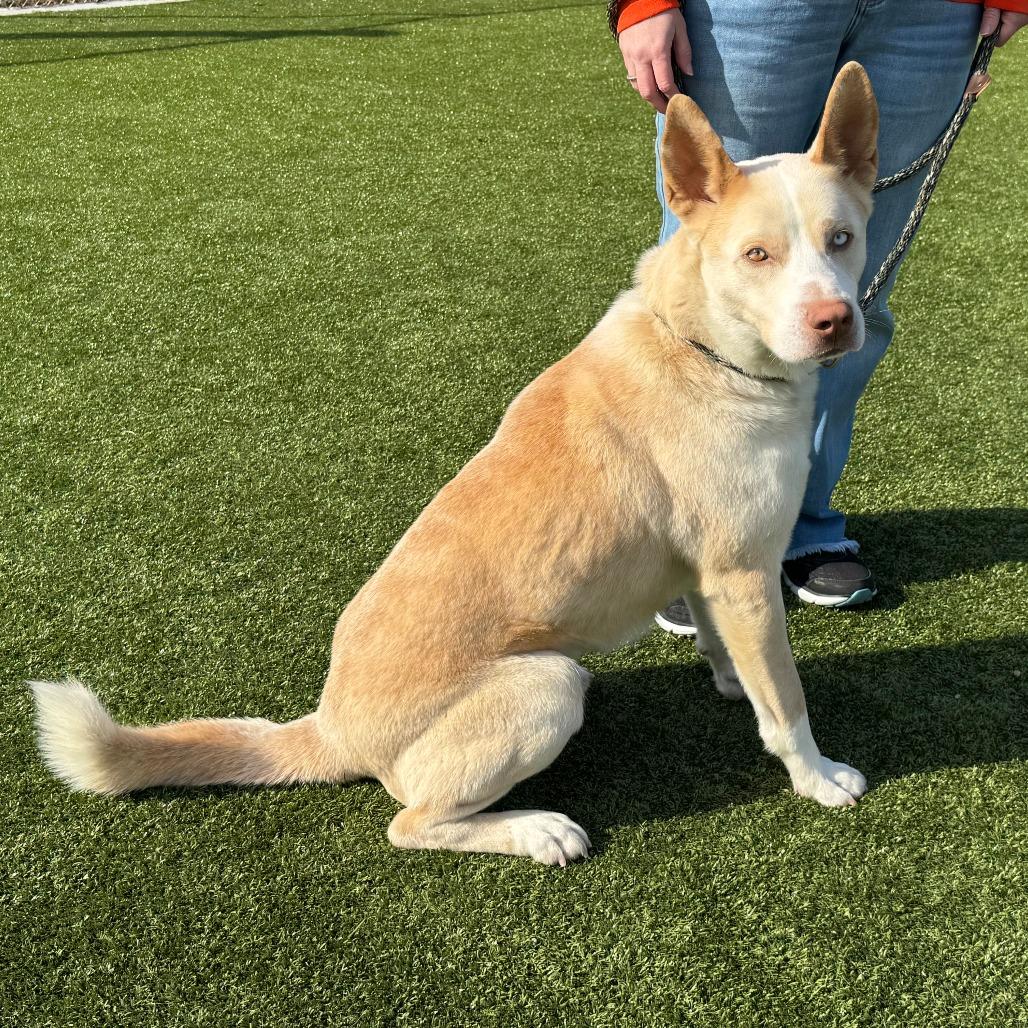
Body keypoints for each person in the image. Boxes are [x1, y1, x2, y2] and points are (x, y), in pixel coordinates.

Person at [608, 0, 1028, 633]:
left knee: (847, 301)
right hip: (748, 13)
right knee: (701, 310)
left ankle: (802, 519)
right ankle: (685, 538)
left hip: (930, 15)